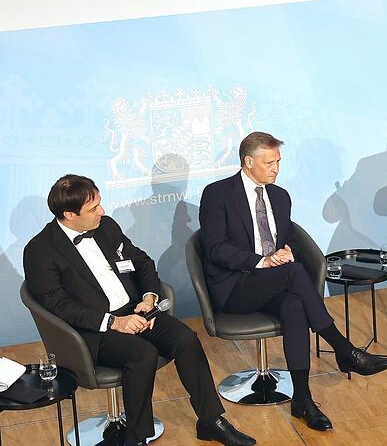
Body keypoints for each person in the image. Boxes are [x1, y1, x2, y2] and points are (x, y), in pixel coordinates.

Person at [24, 175, 256, 446]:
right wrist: (114, 322)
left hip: (138, 310)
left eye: (99, 204)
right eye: (93, 209)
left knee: (186, 339)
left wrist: (148, 298)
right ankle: (137, 437)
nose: (103, 211)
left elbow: (142, 261)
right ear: (69, 215)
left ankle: (210, 420)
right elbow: (59, 306)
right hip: (93, 330)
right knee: (142, 354)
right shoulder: (39, 250)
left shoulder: (106, 226)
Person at [199, 132, 387, 431]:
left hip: (273, 284)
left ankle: (303, 400)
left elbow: (288, 238)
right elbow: (215, 248)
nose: (276, 169)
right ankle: (342, 348)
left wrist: (287, 250)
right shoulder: (217, 194)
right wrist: (263, 260)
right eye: (269, 163)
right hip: (235, 286)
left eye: (278, 162)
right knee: (295, 272)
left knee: (294, 306)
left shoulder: (279, 195)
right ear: (248, 162)